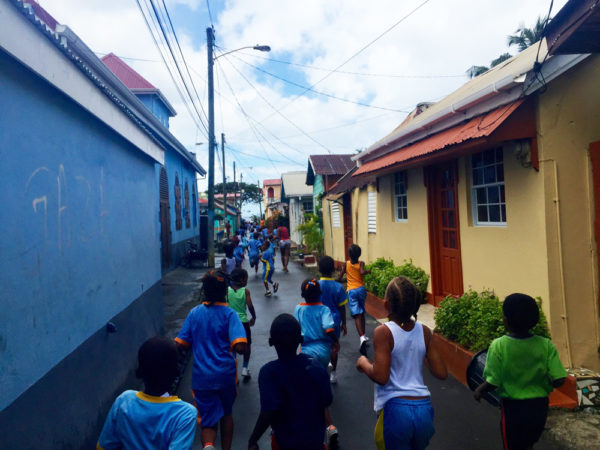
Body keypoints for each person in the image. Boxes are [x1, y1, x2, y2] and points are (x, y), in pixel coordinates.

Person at [356, 276, 447, 450]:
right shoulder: (425, 332)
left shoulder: (384, 332)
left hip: (396, 412)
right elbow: (442, 372)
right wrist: (421, 349)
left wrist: (363, 362)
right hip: (424, 412)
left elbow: (381, 376)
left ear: (387, 305)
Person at [474, 293, 567, 450]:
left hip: (513, 409)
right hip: (539, 408)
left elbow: (493, 381)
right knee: (528, 443)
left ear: (507, 320)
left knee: (512, 445)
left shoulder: (499, 345)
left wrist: (479, 390)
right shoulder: (546, 345)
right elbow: (560, 379)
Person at [175, 270, 248, 450]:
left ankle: (208, 445)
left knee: (207, 420)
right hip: (225, 375)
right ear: (225, 291)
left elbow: (180, 343)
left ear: (204, 290)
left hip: (202, 378)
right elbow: (240, 345)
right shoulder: (230, 315)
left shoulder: (194, 314)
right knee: (226, 413)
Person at [248, 314, 333, 450]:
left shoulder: (269, 373)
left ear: (271, 342)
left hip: (285, 443)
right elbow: (327, 400)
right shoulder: (316, 367)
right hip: (315, 443)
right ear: (301, 340)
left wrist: (253, 439)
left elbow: (268, 412)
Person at [97, 336, 197, 450]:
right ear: (176, 371)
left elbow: (104, 446)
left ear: (141, 371)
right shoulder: (185, 415)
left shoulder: (124, 401)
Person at [294, 278, 340, 447]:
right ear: (319, 294)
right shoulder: (324, 309)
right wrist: (335, 342)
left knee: (308, 389)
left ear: (303, 295)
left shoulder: (299, 309)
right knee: (318, 384)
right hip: (324, 351)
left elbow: (295, 329)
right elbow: (328, 328)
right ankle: (329, 425)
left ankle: (324, 426)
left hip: (306, 351)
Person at [318, 256, 348, 384]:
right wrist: (344, 323)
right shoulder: (338, 287)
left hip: (319, 321)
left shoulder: (316, 285)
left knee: (321, 346)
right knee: (334, 347)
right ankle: (333, 374)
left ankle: (322, 370)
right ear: (333, 269)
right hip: (334, 322)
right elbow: (342, 308)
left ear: (319, 269)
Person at [337, 244, 371, 355]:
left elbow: (340, 277)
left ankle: (361, 337)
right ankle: (364, 336)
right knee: (362, 312)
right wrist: (368, 271)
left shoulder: (346, 264)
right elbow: (362, 272)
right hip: (361, 290)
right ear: (359, 254)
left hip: (351, 291)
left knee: (356, 315)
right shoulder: (361, 263)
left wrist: (336, 280)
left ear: (349, 255)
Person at [228, 268, 257, 379]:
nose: (247, 281)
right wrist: (254, 317)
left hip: (231, 323)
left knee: (232, 345)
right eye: (246, 279)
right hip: (243, 322)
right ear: (241, 279)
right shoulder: (245, 291)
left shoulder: (227, 291)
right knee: (247, 344)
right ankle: (245, 368)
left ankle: (233, 369)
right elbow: (250, 306)